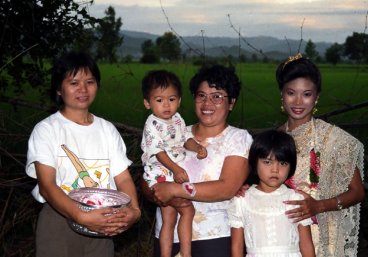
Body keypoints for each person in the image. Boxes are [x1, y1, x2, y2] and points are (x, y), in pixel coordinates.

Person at [25, 51, 141, 257]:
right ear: (59, 89)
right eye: (74, 82)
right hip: (59, 220)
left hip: (103, 221)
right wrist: (81, 216)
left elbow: (123, 178)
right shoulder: (47, 130)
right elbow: (47, 185)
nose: (83, 89)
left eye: (90, 81)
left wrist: (134, 210)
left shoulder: (107, 130)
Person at [142, 64, 253, 257]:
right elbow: (147, 176)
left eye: (217, 96)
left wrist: (174, 190)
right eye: (201, 95)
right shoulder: (175, 132)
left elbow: (227, 188)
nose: (207, 103)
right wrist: (154, 192)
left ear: (232, 103)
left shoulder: (238, 138)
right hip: (168, 238)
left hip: (214, 238)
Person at [276, 53, 365, 256]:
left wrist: (318, 206)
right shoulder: (274, 138)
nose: (298, 101)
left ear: (317, 97)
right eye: (291, 93)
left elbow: (357, 191)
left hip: (319, 237)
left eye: (306, 94)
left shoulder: (333, 140)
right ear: (282, 94)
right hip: (280, 235)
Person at [140, 70, 207, 257]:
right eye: (159, 100)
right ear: (148, 102)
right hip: (161, 172)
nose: (166, 105)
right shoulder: (152, 124)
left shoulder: (177, 119)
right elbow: (158, 152)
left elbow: (186, 139)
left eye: (171, 99)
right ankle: (186, 254)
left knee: (169, 218)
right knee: (187, 210)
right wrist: (176, 169)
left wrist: (197, 147)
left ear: (179, 100)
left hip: (172, 172)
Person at [228, 129, 315, 257]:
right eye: (267, 162)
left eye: (283, 163)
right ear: (254, 163)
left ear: (291, 166)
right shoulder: (241, 200)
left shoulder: (296, 199)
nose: (275, 169)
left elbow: (306, 244)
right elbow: (237, 246)